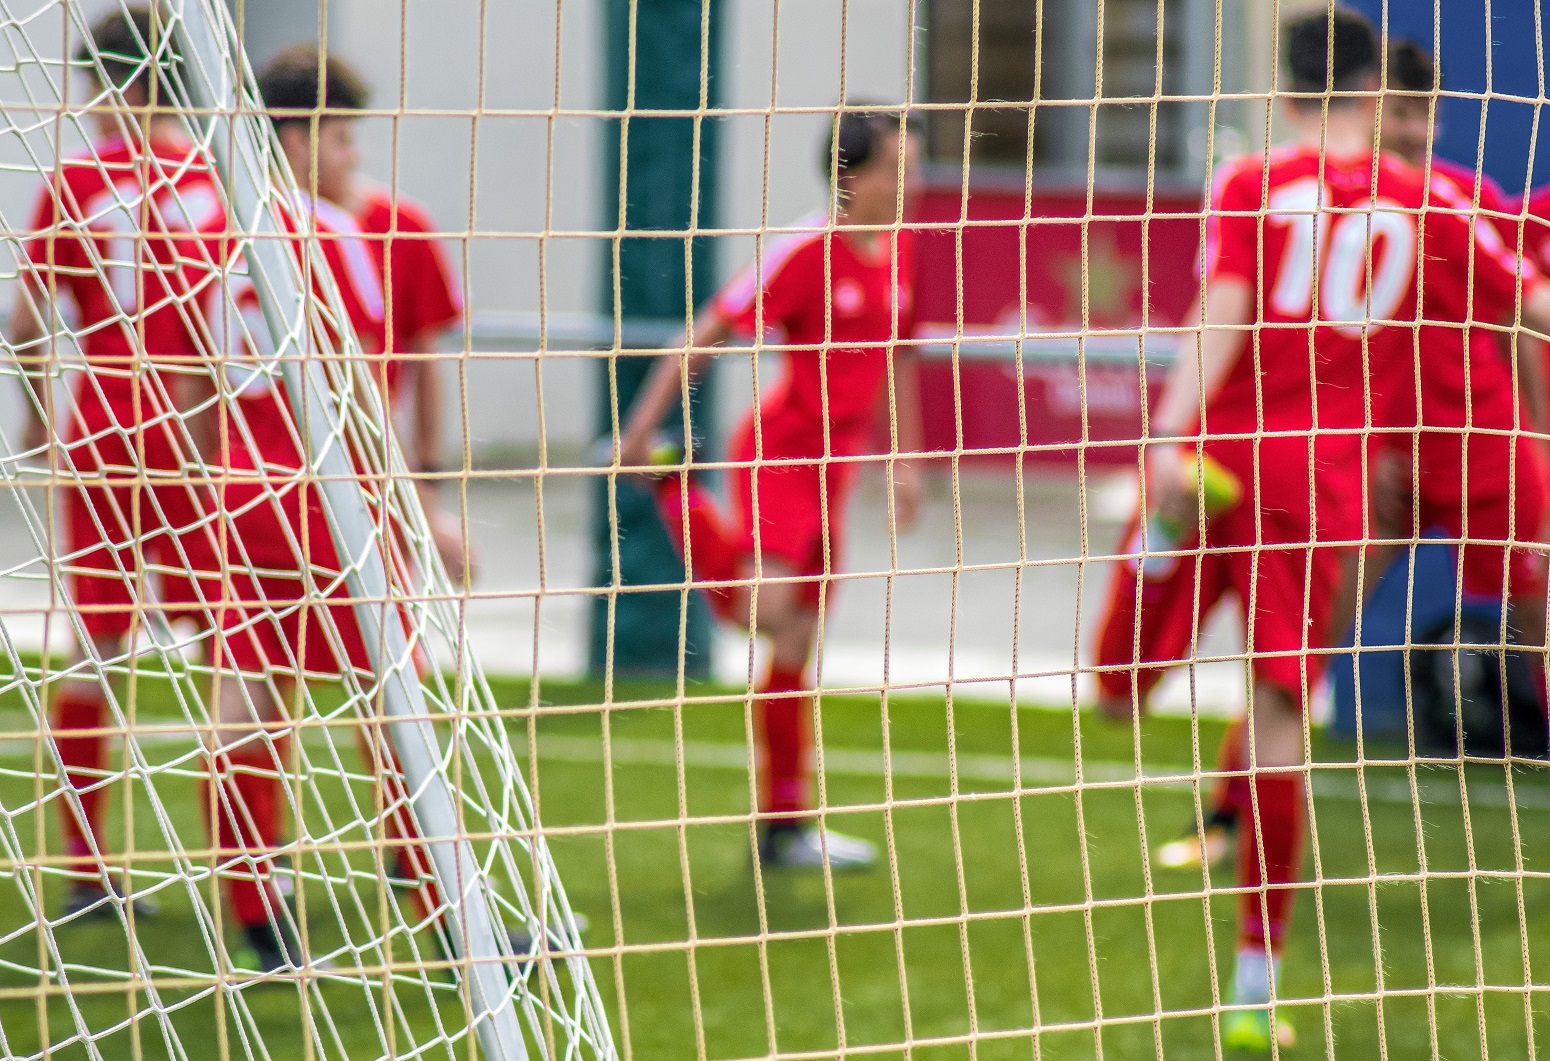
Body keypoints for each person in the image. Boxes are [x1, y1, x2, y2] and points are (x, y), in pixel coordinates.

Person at [1091, 8, 1550, 1051]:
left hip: (1232, 452)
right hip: (1326, 475)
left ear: (1282, 77)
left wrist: (1162, 434)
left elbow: (1221, 306)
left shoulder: (1255, 179)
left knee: (1119, 688)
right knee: (1281, 697)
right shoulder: (1425, 200)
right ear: (1365, 88)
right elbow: (1526, 299)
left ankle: (1157, 551)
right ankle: (1253, 982)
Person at [1159, 35, 1550, 879]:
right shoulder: (1324, 202)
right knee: (1301, 638)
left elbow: (1522, 318)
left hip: (1487, 457)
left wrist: (1539, 433)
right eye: (1398, 111)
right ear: (1368, 107)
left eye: (1423, 115)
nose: (1410, 130)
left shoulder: (1458, 200)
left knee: (1541, 631)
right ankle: (1227, 811)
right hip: (1385, 472)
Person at [614, 108, 924, 871]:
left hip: (836, 468)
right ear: (852, 177)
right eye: (897, 167)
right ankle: (672, 487)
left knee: (795, 639)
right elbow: (705, 331)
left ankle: (783, 826)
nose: (909, 182)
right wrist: (635, 431)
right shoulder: (804, 251)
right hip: (782, 454)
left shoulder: (902, 248)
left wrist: (906, 462)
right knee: (762, 609)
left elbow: (898, 356)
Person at [11, 6, 226, 919]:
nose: (93, 106)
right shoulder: (220, 179)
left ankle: (88, 869)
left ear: (125, 85)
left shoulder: (75, 180)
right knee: (231, 645)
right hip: (198, 427)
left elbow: (25, 327)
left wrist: (35, 417)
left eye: (99, 86)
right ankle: (252, 867)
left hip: (103, 421)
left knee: (96, 644)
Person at [251, 45, 469, 582]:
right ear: (296, 142)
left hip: (359, 475)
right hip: (271, 478)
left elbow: (425, 363)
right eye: (342, 138)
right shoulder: (248, 233)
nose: (355, 156)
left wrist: (427, 489)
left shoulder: (403, 227)